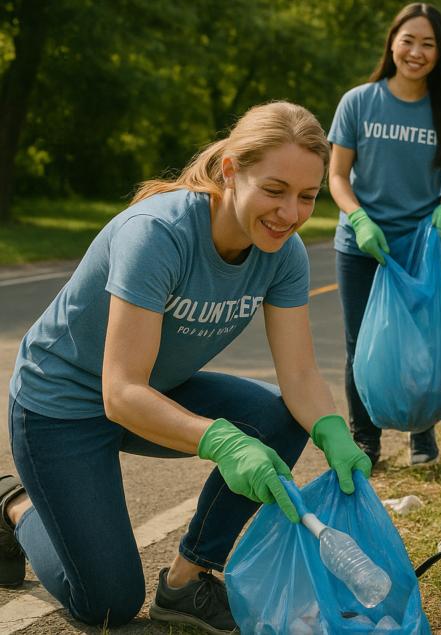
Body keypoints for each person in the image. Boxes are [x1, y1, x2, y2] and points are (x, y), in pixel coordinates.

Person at [1, 102, 372, 633]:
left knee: (282, 417)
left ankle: (185, 581)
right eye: (274, 190)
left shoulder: (284, 254)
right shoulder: (158, 234)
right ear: (231, 171)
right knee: (107, 605)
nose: (290, 214)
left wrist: (333, 431)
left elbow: (300, 377)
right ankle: (14, 502)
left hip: (150, 391)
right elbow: (120, 392)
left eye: (307, 196)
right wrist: (221, 442)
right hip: (60, 407)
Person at [327, 3, 441, 468]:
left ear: (440, 52)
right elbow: (337, 176)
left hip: (422, 247)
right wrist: (359, 219)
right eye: (408, 40)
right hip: (362, 245)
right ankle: (365, 439)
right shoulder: (358, 102)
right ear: (392, 42)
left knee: (419, 342)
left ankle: (420, 432)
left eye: (428, 44)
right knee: (361, 345)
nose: (416, 51)